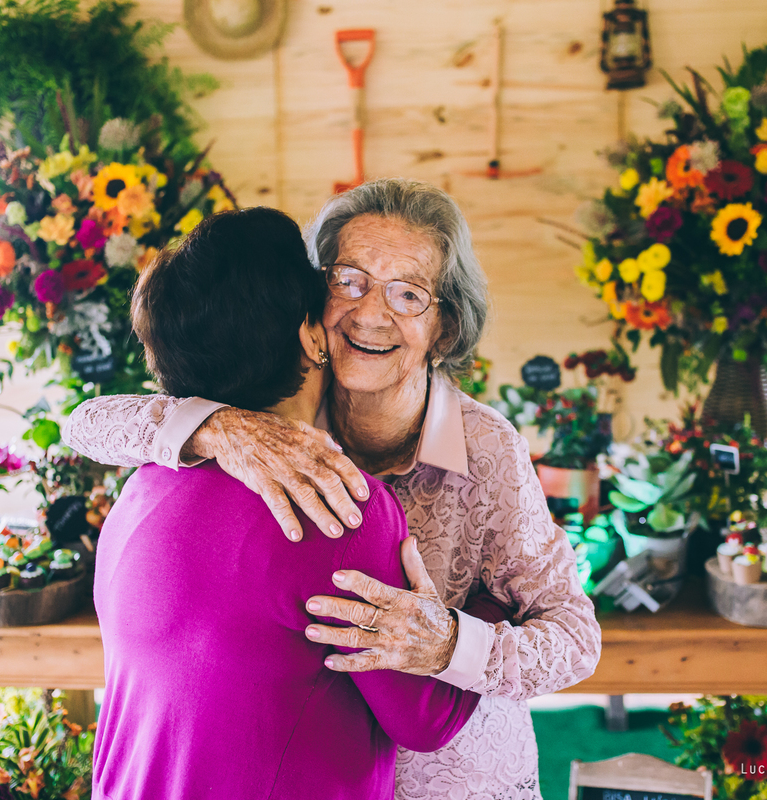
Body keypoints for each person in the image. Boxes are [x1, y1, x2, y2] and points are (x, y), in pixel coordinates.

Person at [70, 178, 602, 799]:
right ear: (313, 307)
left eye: (407, 294)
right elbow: (88, 425)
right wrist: (216, 427)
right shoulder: (267, 425)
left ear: (445, 330)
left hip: (455, 780)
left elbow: (574, 637)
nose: (370, 314)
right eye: (348, 281)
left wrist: (451, 642)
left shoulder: (486, 446)